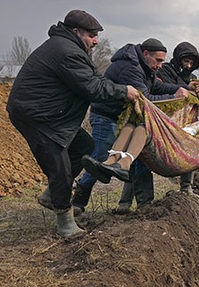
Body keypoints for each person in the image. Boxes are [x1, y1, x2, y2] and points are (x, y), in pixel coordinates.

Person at [6, 9, 140, 238]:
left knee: (84, 148)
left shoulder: (72, 49)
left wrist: (117, 89)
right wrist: (123, 91)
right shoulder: (66, 52)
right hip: (38, 116)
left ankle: (51, 195)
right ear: (76, 32)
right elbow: (91, 88)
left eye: (96, 35)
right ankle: (65, 222)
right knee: (60, 167)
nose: (96, 40)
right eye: (91, 35)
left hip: (53, 115)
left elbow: (94, 79)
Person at [70, 38, 190, 216]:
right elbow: (145, 100)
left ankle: (145, 203)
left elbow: (157, 85)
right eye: (158, 60)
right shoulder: (131, 69)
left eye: (163, 61)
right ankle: (78, 202)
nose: (160, 65)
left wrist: (180, 89)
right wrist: (174, 99)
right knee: (101, 159)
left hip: (124, 118)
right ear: (146, 54)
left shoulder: (145, 67)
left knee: (140, 159)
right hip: (107, 117)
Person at [157, 42, 199, 194]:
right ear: (178, 59)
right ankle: (132, 200)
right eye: (186, 61)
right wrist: (186, 88)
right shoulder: (164, 71)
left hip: (185, 122)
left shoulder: (192, 78)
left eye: (191, 63)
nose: (188, 66)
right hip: (163, 121)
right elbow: (162, 88)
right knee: (145, 158)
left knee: (190, 148)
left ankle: (186, 188)